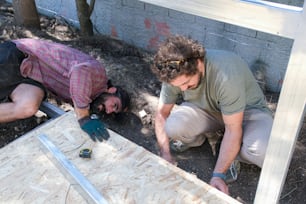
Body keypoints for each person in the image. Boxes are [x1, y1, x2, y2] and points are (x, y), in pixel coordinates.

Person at [151, 35, 273, 195]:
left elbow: (233, 128)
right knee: (173, 127)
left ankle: (232, 153)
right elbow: (161, 114)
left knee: (265, 153)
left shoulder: (225, 73)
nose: (182, 90)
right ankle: (204, 139)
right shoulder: (174, 71)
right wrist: (165, 154)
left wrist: (218, 175)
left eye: (187, 84)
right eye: (178, 86)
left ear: (199, 63)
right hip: (207, 110)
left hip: (247, 113)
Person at [0, 38, 130, 142]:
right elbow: (79, 71)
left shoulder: (89, 96)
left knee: (28, 107)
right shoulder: (99, 76)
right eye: (114, 105)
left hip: (31, 77)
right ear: (112, 90)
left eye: (112, 112)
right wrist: (83, 116)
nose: (108, 110)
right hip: (19, 57)